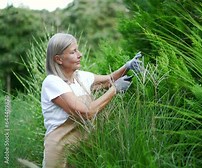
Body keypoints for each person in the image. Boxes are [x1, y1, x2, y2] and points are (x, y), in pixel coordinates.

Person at [41, 33, 143, 167]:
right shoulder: (53, 82)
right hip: (59, 149)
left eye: (77, 49)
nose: (80, 54)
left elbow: (109, 80)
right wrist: (114, 90)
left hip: (82, 147)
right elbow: (85, 113)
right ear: (58, 59)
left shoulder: (81, 77)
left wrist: (127, 66)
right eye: (73, 51)